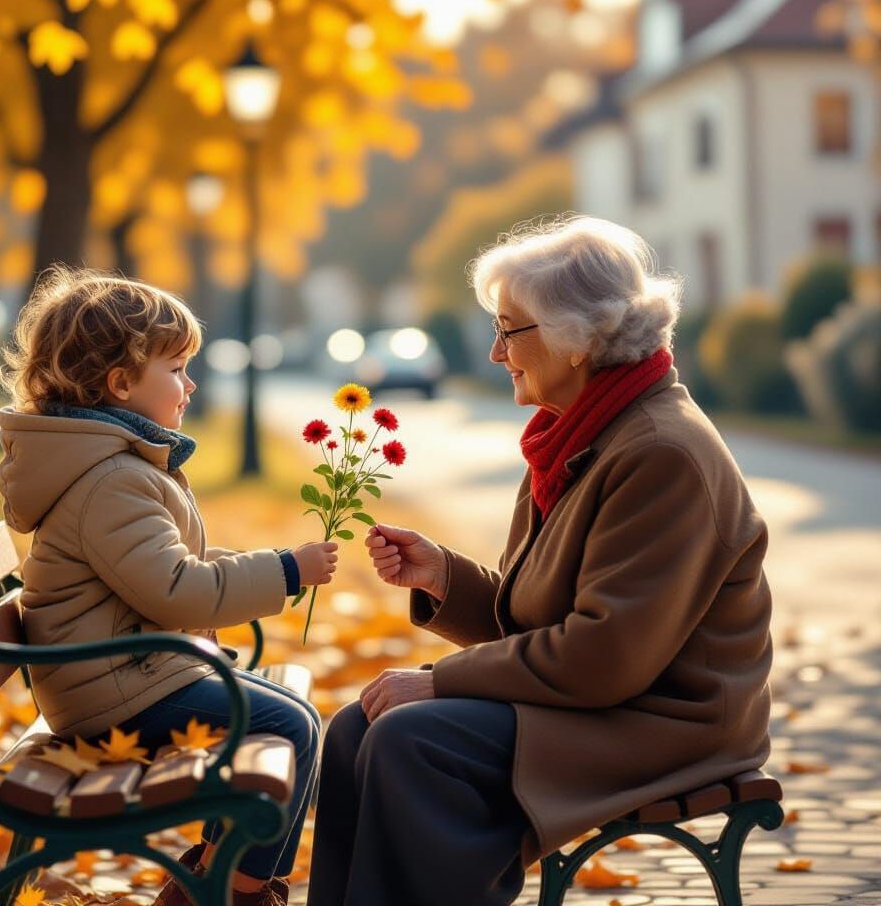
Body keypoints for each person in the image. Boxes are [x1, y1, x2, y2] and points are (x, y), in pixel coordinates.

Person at [307, 216, 773, 906]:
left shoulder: (660, 452)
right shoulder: (578, 433)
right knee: (356, 727)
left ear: (576, 336)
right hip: (605, 701)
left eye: (509, 329)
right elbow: (546, 623)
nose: (496, 353)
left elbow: (604, 655)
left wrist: (440, 682)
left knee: (413, 740)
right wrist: (446, 577)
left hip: (669, 724)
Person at [0, 266, 336, 906]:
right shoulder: (110, 480)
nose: (190, 383)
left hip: (124, 676)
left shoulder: (110, 464)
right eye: (176, 368)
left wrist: (266, 565)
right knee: (288, 724)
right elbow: (177, 590)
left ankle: (212, 880)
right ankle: (234, 892)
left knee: (288, 716)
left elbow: (165, 567)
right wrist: (286, 573)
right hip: (115, 695)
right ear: (120, 383)